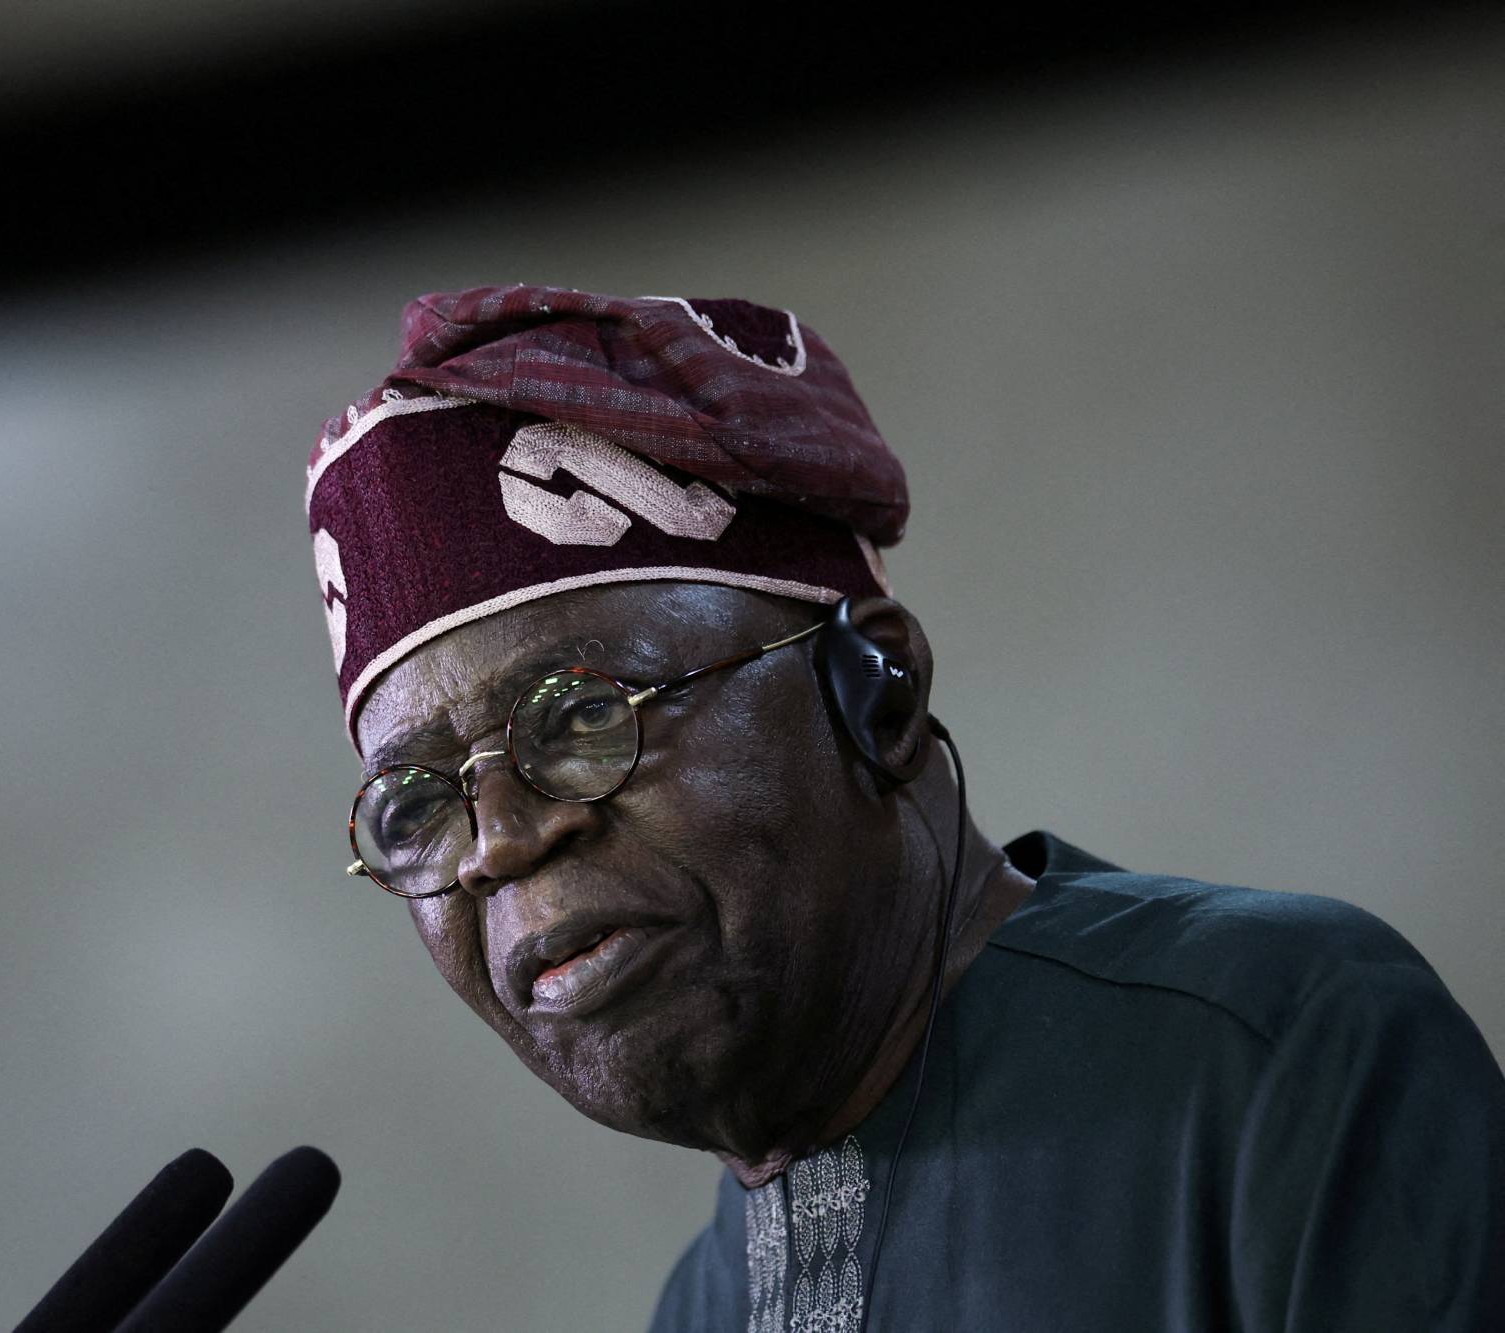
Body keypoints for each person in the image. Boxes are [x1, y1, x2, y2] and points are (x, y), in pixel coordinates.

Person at [304, 285, 1505, 1331]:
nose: (501, 841)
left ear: (872, 694)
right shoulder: (699, 1309)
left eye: (578, 716)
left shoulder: (1272, 1048)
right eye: (414, 809)